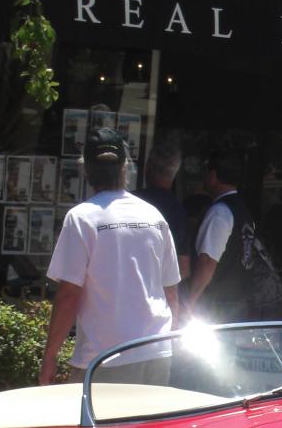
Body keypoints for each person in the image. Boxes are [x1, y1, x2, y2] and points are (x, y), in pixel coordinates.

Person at [39, 128, 183, 386]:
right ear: (125, 167)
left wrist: (50, 356)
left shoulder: (81, 218)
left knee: (97, 426)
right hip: (156, 350)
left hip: (105, 357)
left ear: (86, 171)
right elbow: (171, 292)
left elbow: (69, 294)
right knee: (147, 426)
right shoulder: (154, 216)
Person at [185, 152, 282, 320]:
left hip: (218, 305)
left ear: (213, 175)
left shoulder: (220, 212)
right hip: (240, 301)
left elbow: (207, 261)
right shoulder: (242, 210)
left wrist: (191, 299)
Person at [136, 139, 190, 280]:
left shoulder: (127, 202)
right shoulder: (179, 212)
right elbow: (183, 269)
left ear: (147, 167)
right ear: (174, 173)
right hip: (159, 292)